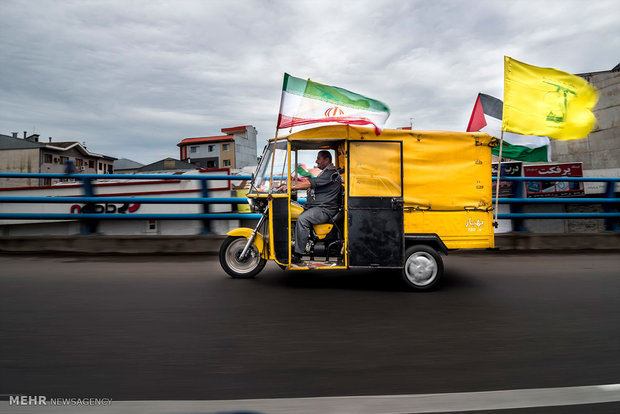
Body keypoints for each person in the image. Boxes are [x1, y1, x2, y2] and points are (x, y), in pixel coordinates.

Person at [279, 150, 342, 264]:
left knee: (303, 219)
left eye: (319, 158)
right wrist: (288, 185)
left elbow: (309, 183)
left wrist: (291, 188)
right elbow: (309, 184)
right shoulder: (325, 173)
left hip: (324, 209)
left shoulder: (331, 173)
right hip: (317, 207)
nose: (316, 161)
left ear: (327, 160)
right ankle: (298, 244)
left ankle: (298, 254)